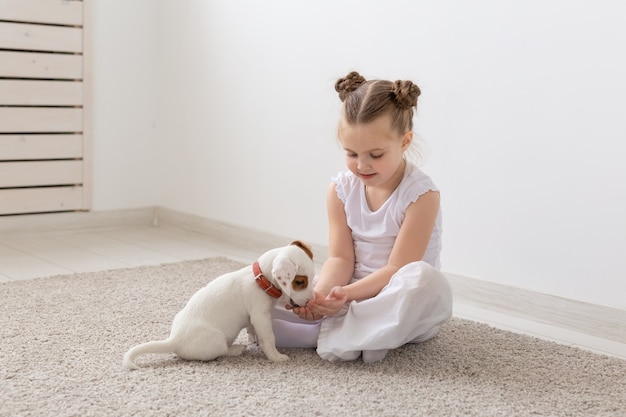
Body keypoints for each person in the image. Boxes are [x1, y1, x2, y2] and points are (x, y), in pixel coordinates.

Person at [269, 71, 453, 363]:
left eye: (376, 155)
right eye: (351, 154)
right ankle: (348, 330)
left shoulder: (421, 195)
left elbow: (397, 268)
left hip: (395, 296)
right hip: (350, 294)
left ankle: (333, 333)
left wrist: (347, 295)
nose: (362, 165)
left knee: (424, 280)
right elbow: (341, 258)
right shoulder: (340, 189)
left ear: (405, 142)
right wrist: (323, 296)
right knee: (277, 275)